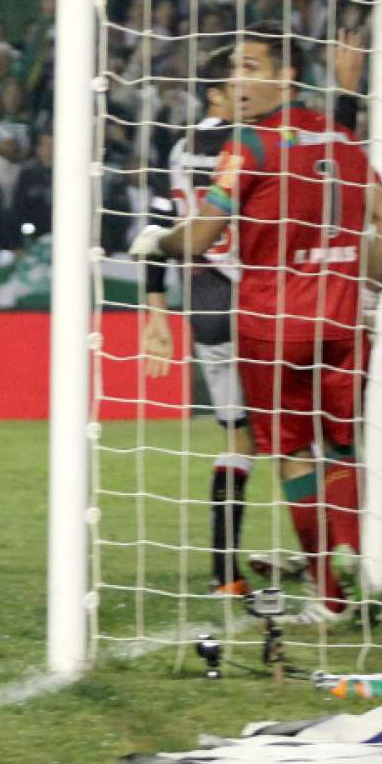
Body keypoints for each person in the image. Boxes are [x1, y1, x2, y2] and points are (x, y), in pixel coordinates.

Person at [131, 23, 382, 623]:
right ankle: (352, 562)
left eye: (252, 66)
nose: (238, 78)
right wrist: (369, 293)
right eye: (235, 69)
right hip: (342, 320)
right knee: (339, 447)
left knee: (292, 455)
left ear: (287, 76)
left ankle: (329, 595)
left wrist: (158, 245)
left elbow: (202, 235)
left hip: (271, 324)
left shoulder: (246, 150)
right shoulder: (338, 138)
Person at [138, 46, 253, 597]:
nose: (249, 90)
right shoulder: (253, 143)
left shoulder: (181, 148)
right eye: (239, 81)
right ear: (215, 92)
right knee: (305, 431)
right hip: (257, 299)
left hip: (205, 305)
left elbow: (158, 226)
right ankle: (331, 559)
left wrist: (155, 310)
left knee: (238, 438)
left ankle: (225, 573)